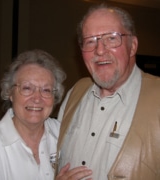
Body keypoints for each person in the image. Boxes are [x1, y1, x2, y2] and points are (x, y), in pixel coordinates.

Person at [56, 4, 160, 180]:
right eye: (90, 41)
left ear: (133, 46)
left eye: (111, 38)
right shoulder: (75, 93)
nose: (100, 50)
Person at [0, 49, 92, 180]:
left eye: (46, 90)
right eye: (27, 88)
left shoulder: (64, 134)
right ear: (10, 93)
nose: (37, 98)